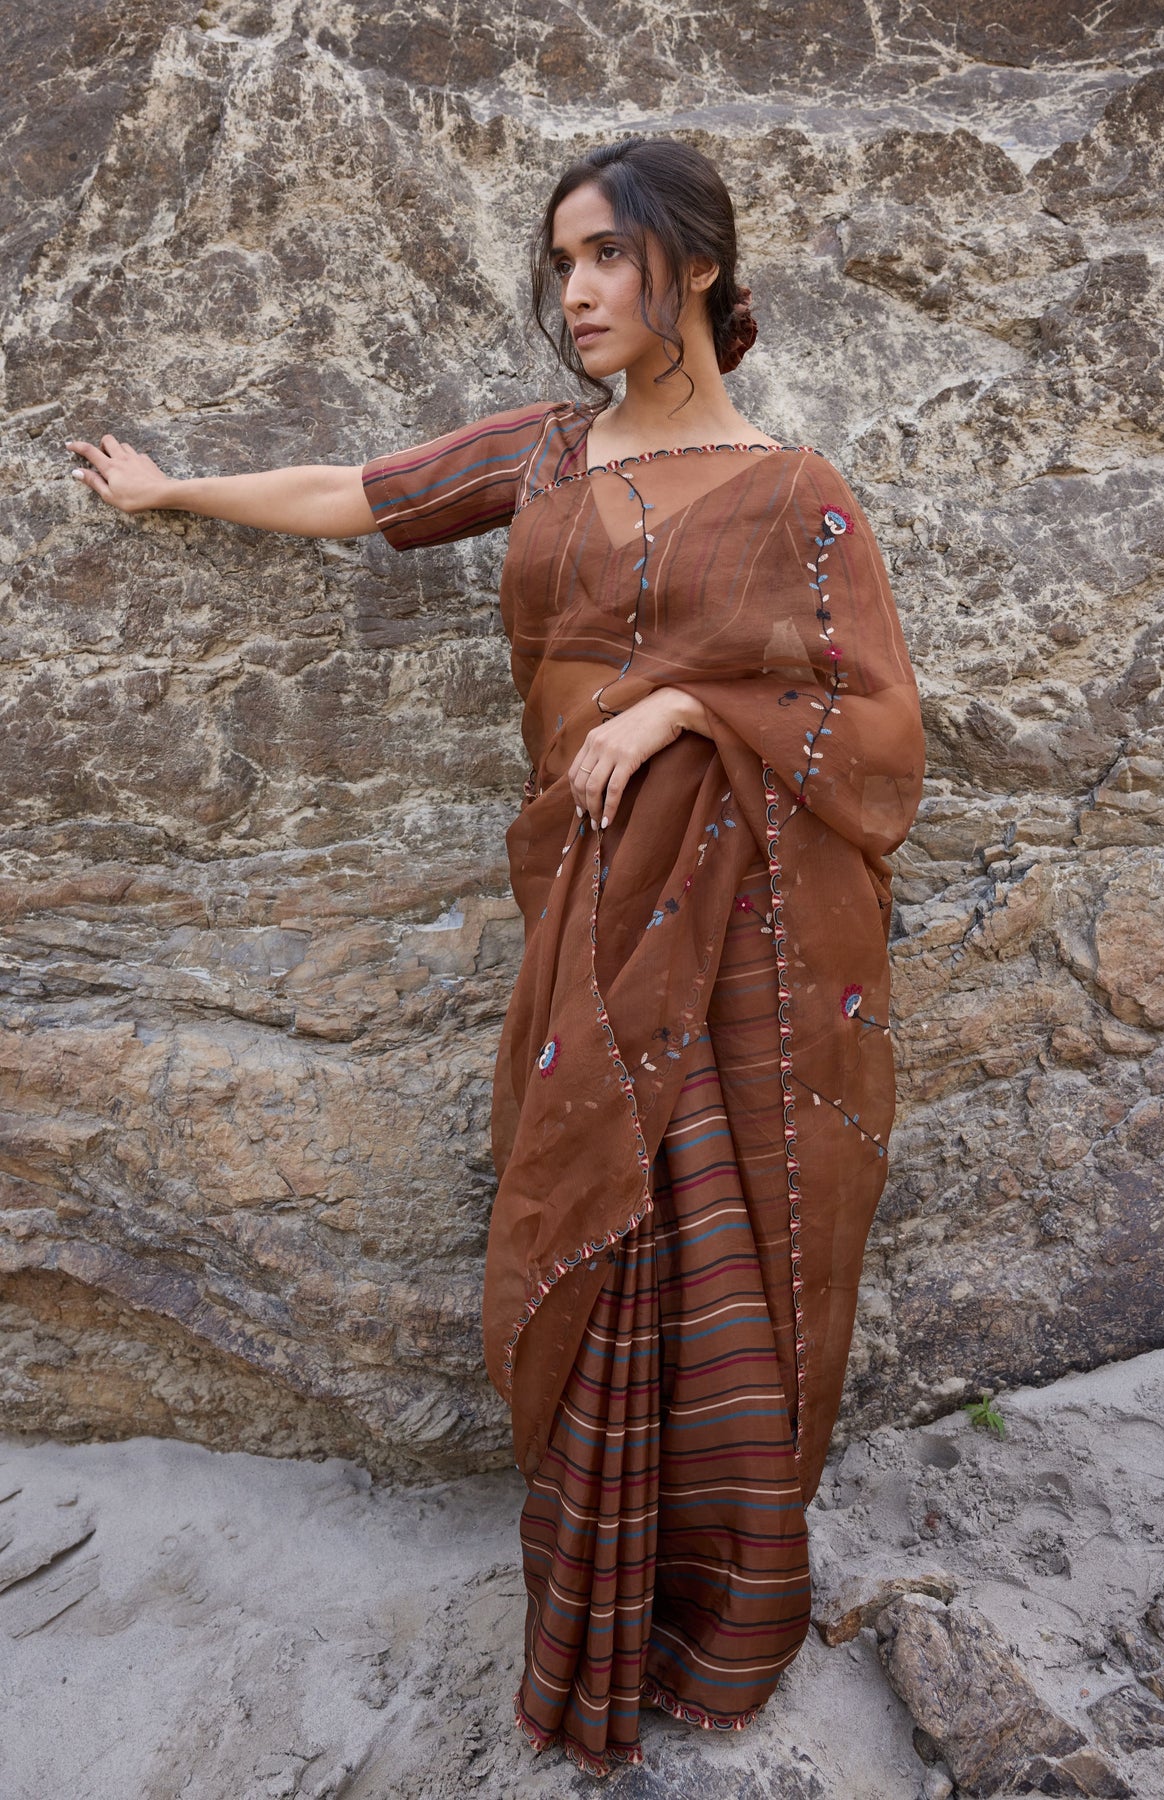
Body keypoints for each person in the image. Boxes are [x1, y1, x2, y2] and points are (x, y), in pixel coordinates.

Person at [66, 133, 925, 1779]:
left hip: (747, 935)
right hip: (595, 921)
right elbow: (359, 495)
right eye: (562, 263)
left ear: (699, 274)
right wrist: (173, 488)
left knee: (730, 1270)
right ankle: (595, 1626)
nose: (578, 292)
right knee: (590, 1232)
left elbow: (876, 722)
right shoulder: (545, 457)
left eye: (609, 257)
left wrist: (686, 702)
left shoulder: (804, 494)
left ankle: (720, 1636)